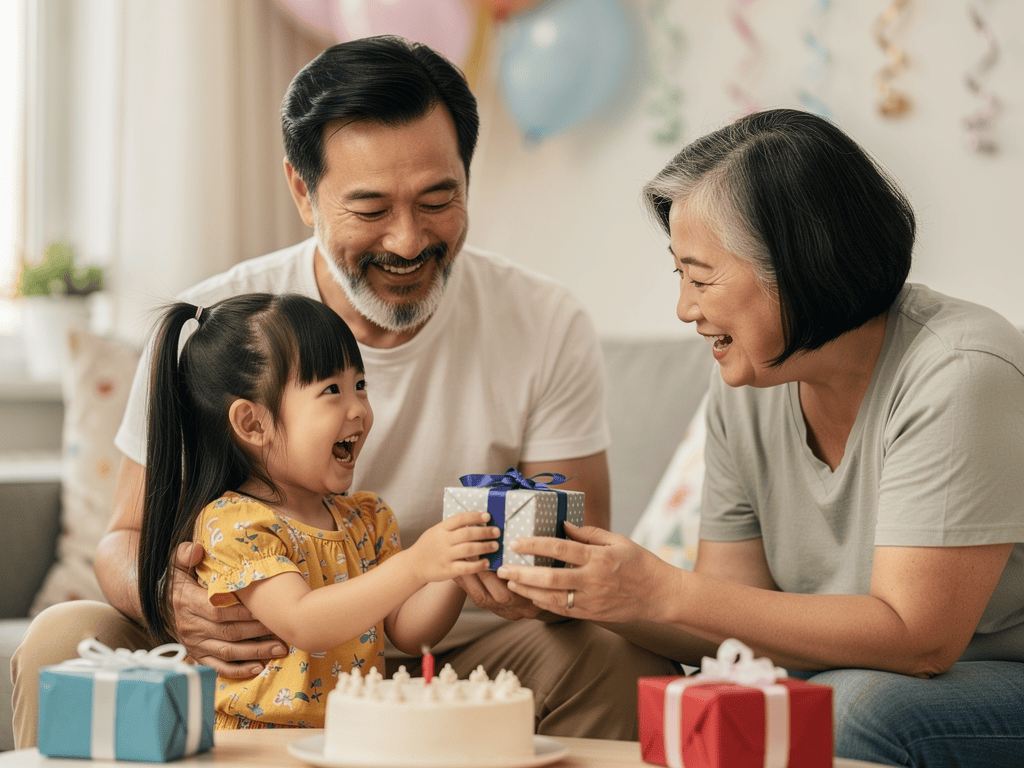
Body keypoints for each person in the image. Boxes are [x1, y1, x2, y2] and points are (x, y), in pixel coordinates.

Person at [12, 36, 676, 747]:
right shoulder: (220, 326)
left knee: (606, 658)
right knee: (67, 638)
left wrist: (502, 572)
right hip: (245, 654)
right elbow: (127, 536)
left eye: (437, 198)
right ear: (303, 192)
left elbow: (573, 555)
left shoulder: (542, 322)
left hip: (432, 660)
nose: (407, 239)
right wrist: (168, 600)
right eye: (369, 209)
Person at [497, 108, 1024, 767]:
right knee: (699, 689)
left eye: (701, 276)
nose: (685, 309)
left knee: (852, 709)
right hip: (851, 674)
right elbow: (729, 622)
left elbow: (919, 639)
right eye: (678, 276)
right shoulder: (745, 391)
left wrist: (664, 588)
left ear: (801, 264)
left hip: (993, 677)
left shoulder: (960, 373)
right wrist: (584, 592)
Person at [138, 292, 499, 728]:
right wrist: (417, 565)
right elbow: (302, 621)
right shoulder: (234, 524)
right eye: (332, 390)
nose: (359, 410)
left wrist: (454, 567)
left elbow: (407, 631)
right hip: (255, 750)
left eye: (360, 386)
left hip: (349, 740)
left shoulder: (367, 518)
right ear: (253, 424)